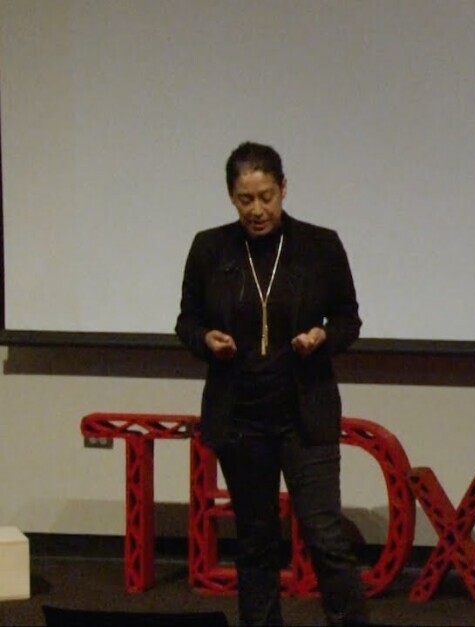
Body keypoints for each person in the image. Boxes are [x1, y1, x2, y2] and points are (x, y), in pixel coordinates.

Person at [176, 141, 368, 626]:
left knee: (325, 537)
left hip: (305, 414)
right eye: (246, 200)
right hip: (240, 418)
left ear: (284, 188)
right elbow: (187, 320)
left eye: (266, 197)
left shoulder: (320, 245)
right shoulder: (210, 248)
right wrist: (206, 340)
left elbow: (348, 318)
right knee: (256, 542)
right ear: (231, 196)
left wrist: (323, 337)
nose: (257, 210)